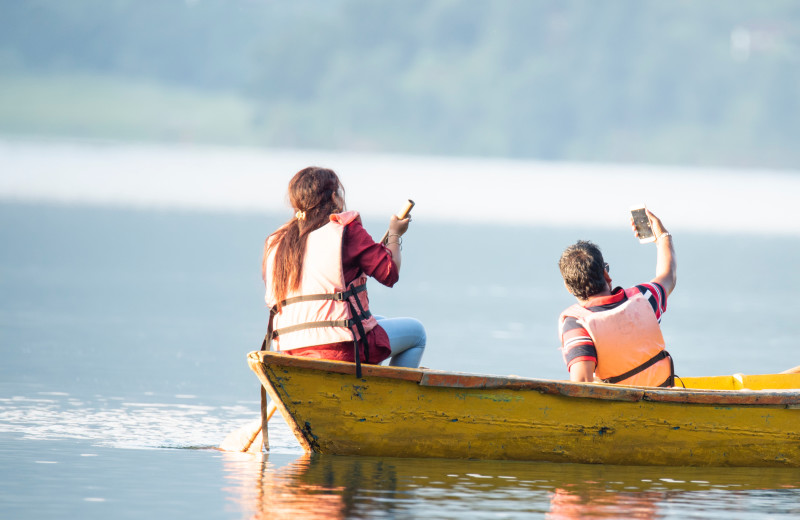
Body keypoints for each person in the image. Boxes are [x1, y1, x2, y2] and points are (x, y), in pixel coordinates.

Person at [261, 166, 426, 372]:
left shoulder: (278, 241)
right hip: (339, 347)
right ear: (333, 197)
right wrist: (395, 234)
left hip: (288, 346)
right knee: (417, 333)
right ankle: (391, 397)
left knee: (377, 322)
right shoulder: (345, 230)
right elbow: (389, 273)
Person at [557, 209, 677, 387]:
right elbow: (668, 276)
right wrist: (663, 237)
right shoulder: (643, 298)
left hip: (620, 411)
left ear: (569, 288)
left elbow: (580, 384)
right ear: (606, 274)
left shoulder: (577, 324)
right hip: (664, 399)